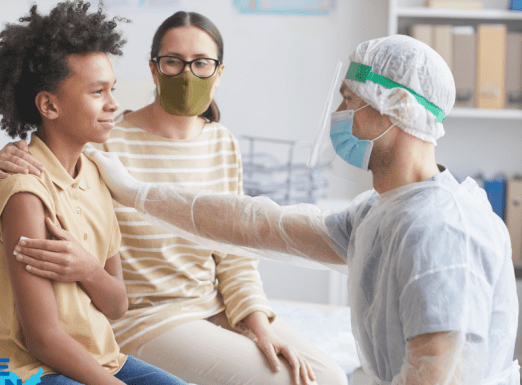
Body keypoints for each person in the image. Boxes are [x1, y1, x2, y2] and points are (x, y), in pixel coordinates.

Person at [80, 35, 521, 384]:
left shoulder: (438, 232)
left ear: (397, 108)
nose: (338, 115)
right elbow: (261, 225)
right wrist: (137, 193)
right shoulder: (384, 212)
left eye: (349, 101)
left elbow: (438, 374)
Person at [0, 10, 347, 385]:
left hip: (209, 307)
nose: (187, 75)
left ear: (219, 72)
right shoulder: (106, 142)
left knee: (329, 377)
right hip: (146, 318)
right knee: (280, 381)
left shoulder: (221, 143)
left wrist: (258, 325)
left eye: (201, 63)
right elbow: (46, 164)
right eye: (173, 62)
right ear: (154, 70)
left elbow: (235, 253)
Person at [0, 2, 187, 384]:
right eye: (97, 92)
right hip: (25, 371)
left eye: (113, 89)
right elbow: (42, 338)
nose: (114, 103)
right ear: (49, 105)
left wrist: (87, 267)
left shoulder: (96, 174)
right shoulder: (23, 192)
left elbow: (117, 304)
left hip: (102, 360)